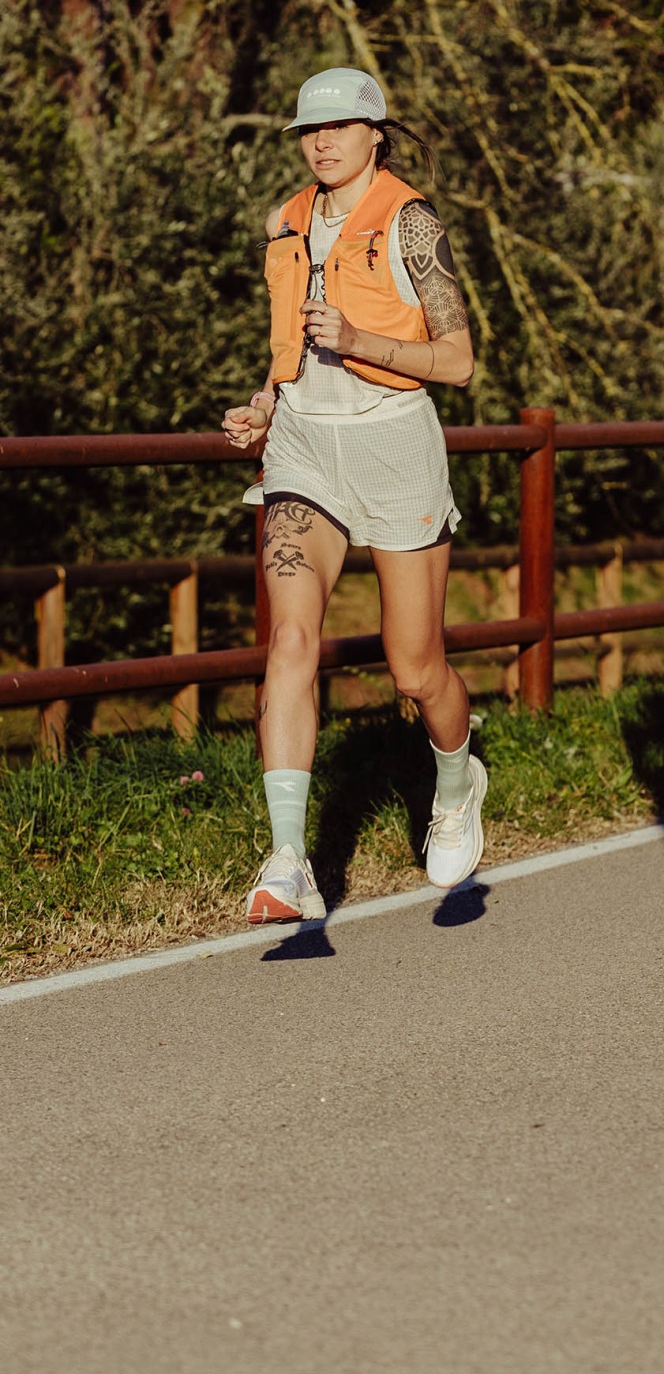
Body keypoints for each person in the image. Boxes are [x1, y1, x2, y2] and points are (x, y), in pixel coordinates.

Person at [223, 67, 482, 922]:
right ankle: (290, 860)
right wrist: (263, 406)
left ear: (378, 132)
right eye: (308, 131)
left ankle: (455, 782)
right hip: (303, 449)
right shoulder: (285, 225)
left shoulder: (412, 224)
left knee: (414, 666)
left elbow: (459, 361)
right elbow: (286, 345)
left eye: (340, 128)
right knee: (292, 640)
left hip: (395, 445)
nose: (322, 142)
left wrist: (364, 338)